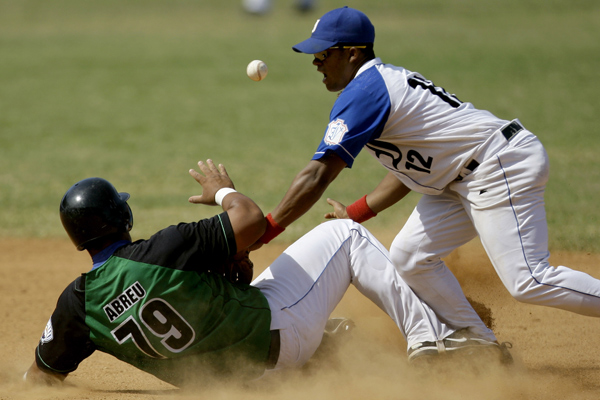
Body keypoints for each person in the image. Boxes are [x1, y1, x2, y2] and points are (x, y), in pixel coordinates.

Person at [254, 6, 600, 352]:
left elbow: (317, 175)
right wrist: (358, 212)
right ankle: (479, 345)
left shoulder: (367, 92)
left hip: (498, 165)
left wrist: (266, 230)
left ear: (353, 53)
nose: (316, 61)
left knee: (529, 280)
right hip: (462, 176)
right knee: (409, 257)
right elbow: (411, 171)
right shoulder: (378, 85)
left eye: (323, 52)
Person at [24, 160, 502, 388]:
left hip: (240, 385)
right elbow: (249, 222)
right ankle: (433, 342)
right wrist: (222, 193)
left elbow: (40, 379)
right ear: (119, 220)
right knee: (346, 237)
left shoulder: (77, 305)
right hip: (279, 338)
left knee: (257, 289)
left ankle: (327, 349)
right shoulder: (160, 251)